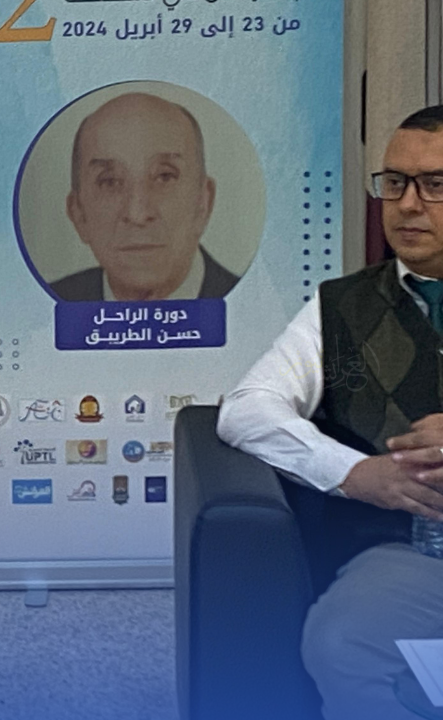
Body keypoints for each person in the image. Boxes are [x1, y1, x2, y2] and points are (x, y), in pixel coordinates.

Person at [218, 106, 443, 719]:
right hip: (414, 555)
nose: (408, 204)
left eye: (435, 184)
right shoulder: (343, 307)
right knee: (341, 642)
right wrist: (353, 472)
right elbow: (246, 410)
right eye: (394, 182)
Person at [51, 92, 240, 302]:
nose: (137, 214)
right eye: (110, 181)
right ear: (78, 213)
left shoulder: (256, 307)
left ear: (204, 202)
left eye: (165, 177)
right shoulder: (47, 307)